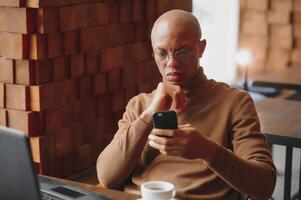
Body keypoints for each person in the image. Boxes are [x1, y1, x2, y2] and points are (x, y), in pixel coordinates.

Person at [96, 9, 276, 200]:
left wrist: (207, 150)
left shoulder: (235, 102)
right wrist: (148, 116)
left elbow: (264, 185)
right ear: (153, 53)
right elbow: (107, 177)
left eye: (181, 51)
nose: (172, 63)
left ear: (201, 49)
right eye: (162, 53)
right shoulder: (140, 105)